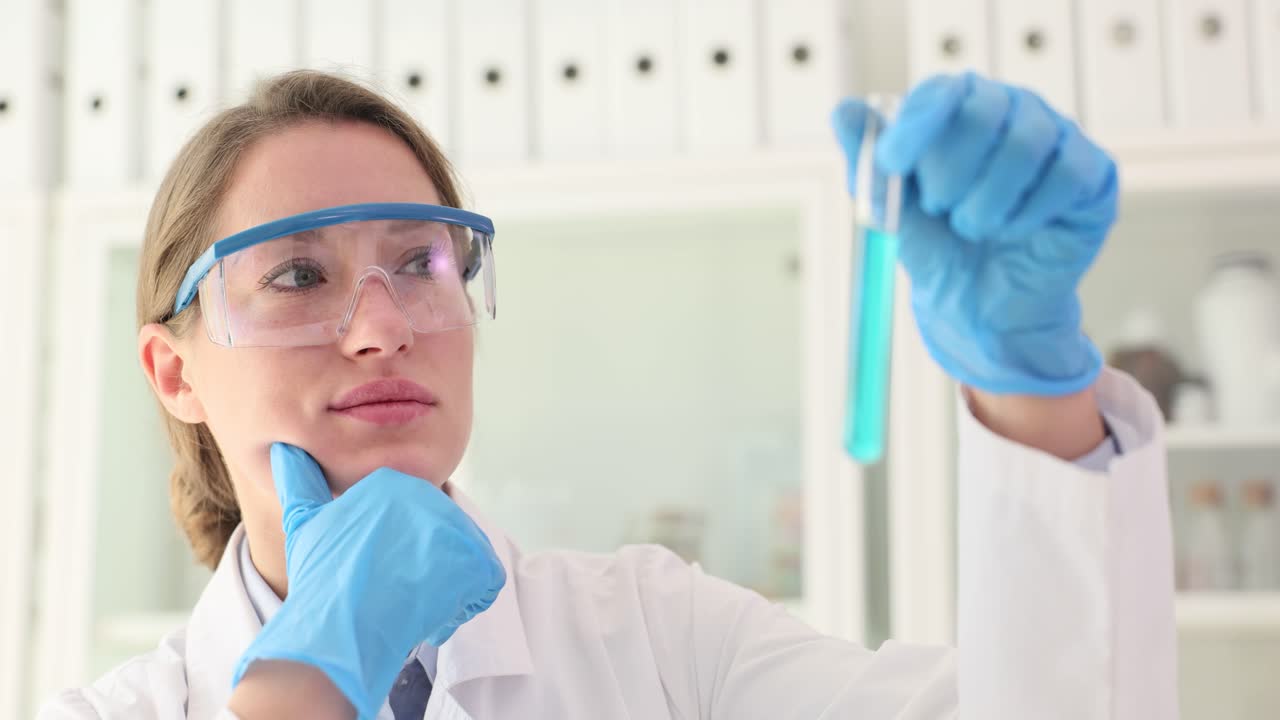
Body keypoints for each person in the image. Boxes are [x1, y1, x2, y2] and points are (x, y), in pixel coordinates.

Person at [39, 69, 1177, 720]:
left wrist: (1036, 398)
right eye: (297, 276)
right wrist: (305, 676)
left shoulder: (654, 638)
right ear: (174, 371)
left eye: (422, 263)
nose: (382, 326)